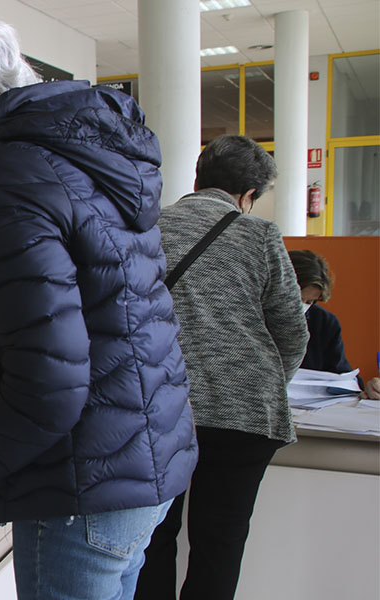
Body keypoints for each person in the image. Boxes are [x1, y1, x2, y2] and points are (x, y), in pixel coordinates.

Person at [0, 9, 196, 599]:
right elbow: (93, 328)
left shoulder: (4, 172)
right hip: (140, 457)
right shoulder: (81, 151)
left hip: (82, 482)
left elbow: (49, 382)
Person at [136, 135, 310, 600]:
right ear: (248, 195)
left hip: (158, 409)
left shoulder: (147, 226)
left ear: (198, 178)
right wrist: (266, 380)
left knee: (152, 538)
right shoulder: (259, 234)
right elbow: (293, 331)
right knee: (219, 542)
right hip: (242, 417)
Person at [289, 249, 380, 399]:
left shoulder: (324, 322)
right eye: (297, 299)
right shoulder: (249, 319)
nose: (301, 308)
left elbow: (341, 377)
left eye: (310, 302)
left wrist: (368, 388)